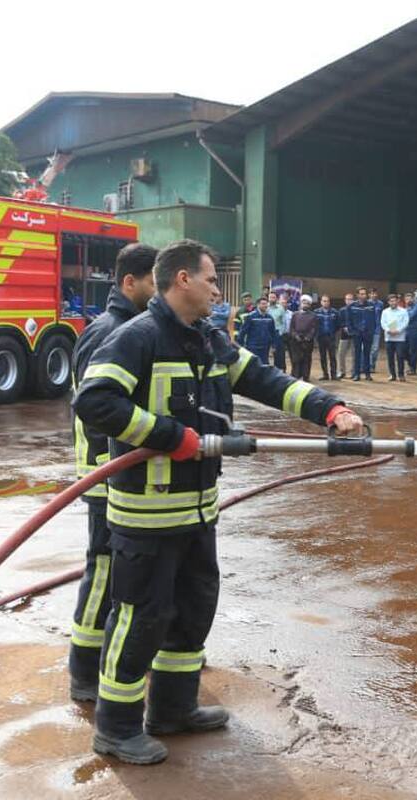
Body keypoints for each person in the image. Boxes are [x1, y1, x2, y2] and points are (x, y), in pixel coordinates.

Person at [74, 239, 364, 765]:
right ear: (182, 279)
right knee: (140, 618)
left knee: (192, 609)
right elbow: (95, 402)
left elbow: (265, 379)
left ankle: (173, 710)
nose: (216, 289)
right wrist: (170, 436)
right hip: (146, 513)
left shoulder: (206, 340)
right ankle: (115, 728)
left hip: (198, 508)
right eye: (211, 279)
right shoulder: (136, 337)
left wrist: (331, 410)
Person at [67, 242, 158, 703]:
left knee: (129, 574)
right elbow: (96, 407)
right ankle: (84, 670)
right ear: (129, 283)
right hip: (104, 474)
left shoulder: (139, 328)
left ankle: (124, 657)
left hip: (128, 474)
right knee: (103, 569)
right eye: (153, 284)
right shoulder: (108, 331)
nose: (160, 293)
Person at [236, 296, 278, 366]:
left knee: (264, 365)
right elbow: (243, 331)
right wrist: (241, 345)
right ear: (258, 305)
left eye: (266, 304)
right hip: (253, 346)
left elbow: (273, 332)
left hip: (265, 347)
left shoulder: (270, 318)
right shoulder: (251, 317)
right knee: (253, 365)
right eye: (263, 304)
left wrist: (273, 345)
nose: (265, 305)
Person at [287, 294, 317, 381]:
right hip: (296, 341)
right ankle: (296, 376)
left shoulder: (313, 315)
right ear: (301, 303)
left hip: (307, 341)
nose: (305, 305)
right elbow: (291, 328)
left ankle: (306, 377)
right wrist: (295, 336)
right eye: (304, 303)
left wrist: (308, 337)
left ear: (309, 305)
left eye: (307, 303)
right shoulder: (295, 314)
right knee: (296, 359)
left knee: (306, 359)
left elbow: (314, 328)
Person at [380, 293, 410, 381]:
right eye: (391, 301)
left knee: (400, 356)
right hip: (389, 337)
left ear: (398, 301)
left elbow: (406, 322)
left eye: (394, 301)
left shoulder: (403, 311)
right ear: (388, 302)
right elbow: (383, 322)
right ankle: (392, 375)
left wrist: (398, 330)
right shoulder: (385, 312)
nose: (393, 302)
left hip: (400, 338)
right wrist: (388, 330)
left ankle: (401, 374)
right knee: (390, 357)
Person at [349, 286, 375, 382]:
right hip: (357, 334)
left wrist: (372, 330)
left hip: (368, 333)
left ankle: (367, 374)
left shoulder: (371, 305)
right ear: (357, 295)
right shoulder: (352, 306)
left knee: (367, 354)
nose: (363, 295)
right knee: (357, 354)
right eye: (361, 294)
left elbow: (374, 319)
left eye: (364, 294)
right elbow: (349, 320)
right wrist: (352, 331)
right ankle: (357, 374)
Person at [314, 295, 340, 380]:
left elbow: (338, 325)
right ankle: (325, 374)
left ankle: (334, 375)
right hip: (321, 337)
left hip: (331, 337)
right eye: (324, 301)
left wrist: (333, 332)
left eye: (327, 301)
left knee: (333, 357)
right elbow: (314, 325)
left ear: (329, 302)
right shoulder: (316, 312)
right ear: (321, 302)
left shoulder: (335, 312)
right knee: (323, 357)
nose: (326, 302)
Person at [267, 291, 288, 371]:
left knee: (279, 355)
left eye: (273, 297)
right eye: (270, 297)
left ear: (276, 299)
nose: (272, 299)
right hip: (267, 333)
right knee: (266, 354)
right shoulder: (266, 308)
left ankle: (280, 372)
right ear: (268, 298)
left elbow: (284, 322)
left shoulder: (280, 308)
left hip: (277, 334)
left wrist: (280, 333)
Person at [336, 292, 355, 379]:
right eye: (347, 299)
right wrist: (344, 327)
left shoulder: (356, 310)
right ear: (345, 300)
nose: (349, 301)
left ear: (353, 300)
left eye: (351, 299)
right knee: (341, 354)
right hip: (344, 335)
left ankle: (353, 372)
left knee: (354, 355)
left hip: (355, 336)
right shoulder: (342, 310)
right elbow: (339, 321)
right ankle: (342, 371)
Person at [368, 288, 384, 374]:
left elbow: (382, 315)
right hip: (367, 329)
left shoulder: (380, 304)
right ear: (369, 295)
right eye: (372, 294)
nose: (374, 295)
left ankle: (373, 364)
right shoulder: (366, 303)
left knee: (375, 349)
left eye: (375, 293)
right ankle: (369, 366)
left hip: (377, 329)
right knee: (368, 348)